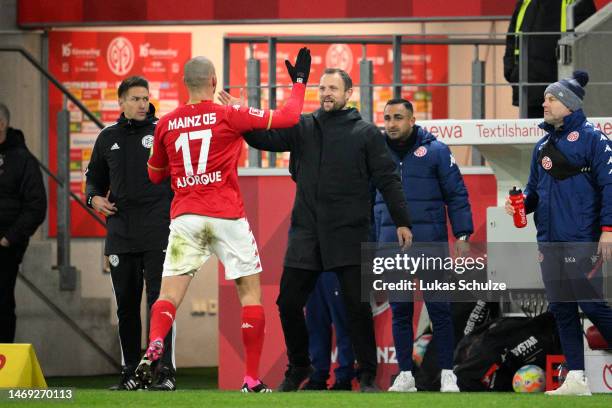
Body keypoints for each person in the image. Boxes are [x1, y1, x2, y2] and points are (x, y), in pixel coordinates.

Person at [136, 48, 311, 393]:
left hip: (186, 217)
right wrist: (300, 83)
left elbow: (155, 175)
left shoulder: (166, 123)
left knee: (169, 295)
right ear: (214, 82)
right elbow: (290, 118)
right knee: (250, 295)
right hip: (227, 216)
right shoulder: (229, 115)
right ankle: (250, 378)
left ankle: (155, 342)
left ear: (184, 83)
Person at [240, 68, 413, 392]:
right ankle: (300, 365)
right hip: (306, 231)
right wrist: (237, 115)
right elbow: (265, 137)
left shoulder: (366, 133)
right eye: (322, 88)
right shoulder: (304, 125)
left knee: (356, 306)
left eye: (333, 88)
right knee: (288, 303)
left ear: (349, 94)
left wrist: (402, 220)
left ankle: (366, 374)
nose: (326, 93)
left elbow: (388, 179)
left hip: (349, 232)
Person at [505, 70, 612, 396]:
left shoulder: (595, 139)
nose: (544, 103)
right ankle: (576, 378)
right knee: (562, 309)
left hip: (581, 238)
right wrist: (521, 204)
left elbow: (610, 186)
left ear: (568, 103)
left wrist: (608, 229)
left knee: (591, 306)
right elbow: (534, 191)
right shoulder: (542, 146)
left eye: (551, 98)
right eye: (545, 98)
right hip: (548, 241)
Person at [373, 98, 472, 393]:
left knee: (439, 310)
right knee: (401, 310)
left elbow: (456, 195)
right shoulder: (375, 154)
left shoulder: (437, 151)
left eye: (398, 117)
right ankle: (405, 374)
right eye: (387, 118)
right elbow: (366, 200)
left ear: (412, 119)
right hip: (392, 245)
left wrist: (463, 235)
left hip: (431, 243)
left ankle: (447, 373)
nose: (391, 123)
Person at [85, 76, 176, 391]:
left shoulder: (163, 131)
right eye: (135, 98)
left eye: (145, 98)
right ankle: (129, 373)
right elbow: (93, 181)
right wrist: (93, 198)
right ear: (121, 102)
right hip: (120, 233)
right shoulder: (106, 137)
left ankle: (162, 373)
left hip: (158, 231)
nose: (142, 104)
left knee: (159, 303)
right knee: (126, 306)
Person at [0, 103, 46, 343]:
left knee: (2, 302)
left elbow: (37, 206)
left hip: (6, 245)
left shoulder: (22, 159)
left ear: (2, 124)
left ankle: (2, 366)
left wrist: (9, 238)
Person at [503, 0, 596, 118]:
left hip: (563, 91)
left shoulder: (577, 2)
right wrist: (511, 71)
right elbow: (513, 38)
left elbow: (589, 43)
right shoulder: (527, 1)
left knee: (565, 133)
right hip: (529, 89)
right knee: (534, 134)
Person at [302, 272, 355, 391]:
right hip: (313, 269)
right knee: (315, 325)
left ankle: (344, 378)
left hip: (336, 267)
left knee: (343, 324)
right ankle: (317, 377)